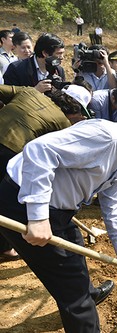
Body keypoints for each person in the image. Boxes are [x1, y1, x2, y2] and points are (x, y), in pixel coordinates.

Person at [0, 111, 117, 332]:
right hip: (22, 201)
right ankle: (83, 303)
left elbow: (112, 201)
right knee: (73, 291)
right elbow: (39, 150)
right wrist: (37, 215)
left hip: (58, 209)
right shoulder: (105, 137)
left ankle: (90, 294)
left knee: (76, 248)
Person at [0, 84, 90, 262]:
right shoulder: (63, 125)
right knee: (5, 202)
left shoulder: (29, 91)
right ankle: (4, 248)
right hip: (9, 154)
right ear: (75, 111)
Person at [90, 85, 117, 201]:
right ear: (113, 98)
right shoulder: (96, 100)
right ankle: (97, 194)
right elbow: (97, 126)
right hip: (98, 140)